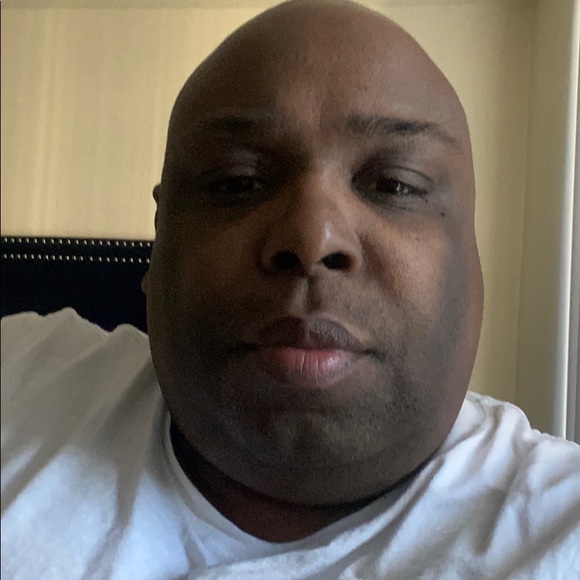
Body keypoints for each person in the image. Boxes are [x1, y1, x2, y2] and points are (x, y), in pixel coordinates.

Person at [2, 0, 579, 577]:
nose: (312, 236)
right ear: (160, 237)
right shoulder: (18, 375)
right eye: (238, 181)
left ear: (471, 256)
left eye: (394, 185)